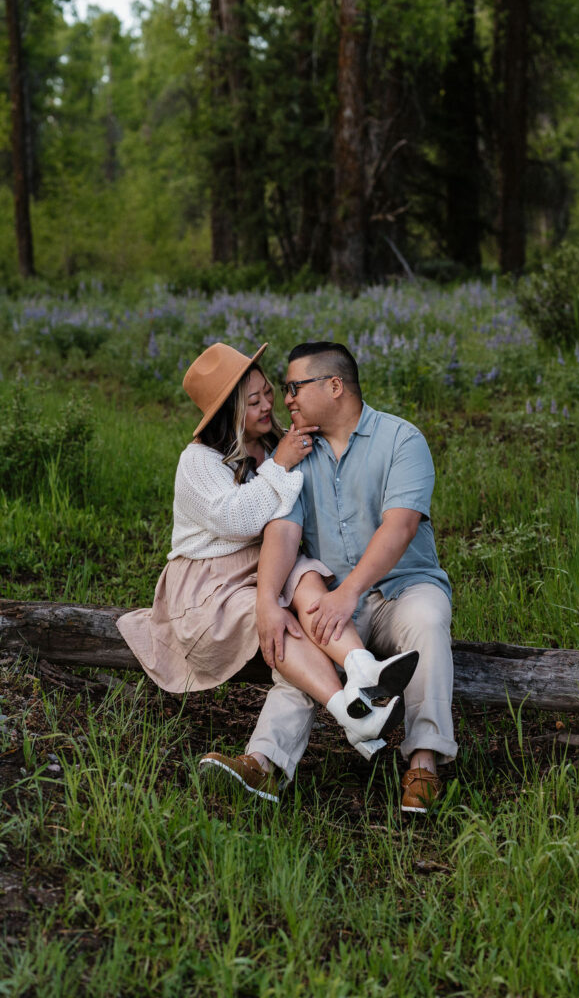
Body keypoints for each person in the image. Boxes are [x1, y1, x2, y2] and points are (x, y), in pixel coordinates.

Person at [116, 341, 418, 803]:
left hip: (263, 571)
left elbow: (290, 519)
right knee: (285, 616)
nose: (268, 405)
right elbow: (239, 520)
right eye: (253, 401)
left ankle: (363, 671)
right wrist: (280, 464)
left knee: (306, 571)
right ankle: (352, 715)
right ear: (228, 412)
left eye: (268, 393)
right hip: (208, 587)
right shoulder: (197, 461)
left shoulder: (278, 442)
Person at [253, 342, 458, 813]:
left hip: (406, 586)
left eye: (293, 387)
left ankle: (424, 762)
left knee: (428, 622)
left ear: (335, 386)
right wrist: (269, 602)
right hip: (338, 598)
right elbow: (283, 531)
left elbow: (401, 525)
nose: (286, 399)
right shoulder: (298, 453)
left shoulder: (401, 440)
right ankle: (263, 762)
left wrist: (349, 592)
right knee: (300, 641)